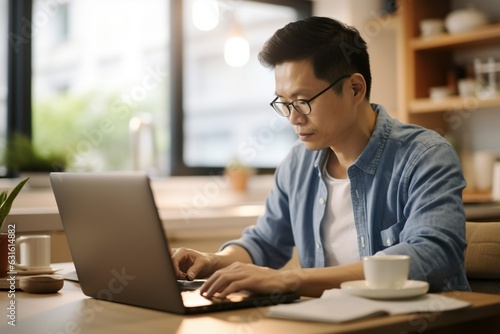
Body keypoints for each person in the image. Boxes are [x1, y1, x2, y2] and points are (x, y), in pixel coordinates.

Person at [171, 16, 470, 299]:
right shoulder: (297, 164)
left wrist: (292, 280)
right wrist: (213, 260)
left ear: (354, 88)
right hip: (331, 322)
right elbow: (264, 242)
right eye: (284, 103)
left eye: (302, 101)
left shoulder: (425, 156)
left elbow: (432, 254)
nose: (293, 118)